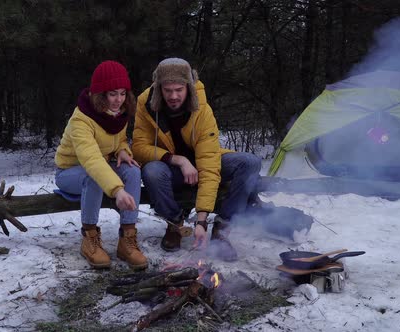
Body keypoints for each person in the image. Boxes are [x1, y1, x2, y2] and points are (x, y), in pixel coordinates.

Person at [132, 58, 261, 262]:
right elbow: (139, 147)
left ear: (189, 87)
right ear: (159, 89)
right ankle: (175, 225)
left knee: (250, 163)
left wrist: (201, 221)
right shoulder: (146, 105)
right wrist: (179, 160)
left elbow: (209, 165)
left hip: (202, 164)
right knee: (152, 171)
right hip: (171, 169)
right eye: (167, 90)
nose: (173, 96)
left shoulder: (202, 110)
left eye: (179, 89)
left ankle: (222, 227)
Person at [55, 60, 147, 270]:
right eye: (113, 93)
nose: (118, 100)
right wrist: (117, 191)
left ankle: (127, 238)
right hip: (69, 173)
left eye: (123, 93)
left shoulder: (118, 115)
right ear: (100, 94)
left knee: (132, 170)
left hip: (101, 166)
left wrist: (123, 150)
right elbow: (92, 160)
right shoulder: (81, 120)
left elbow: (118, 139)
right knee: (93, 177)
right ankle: (90, 238)